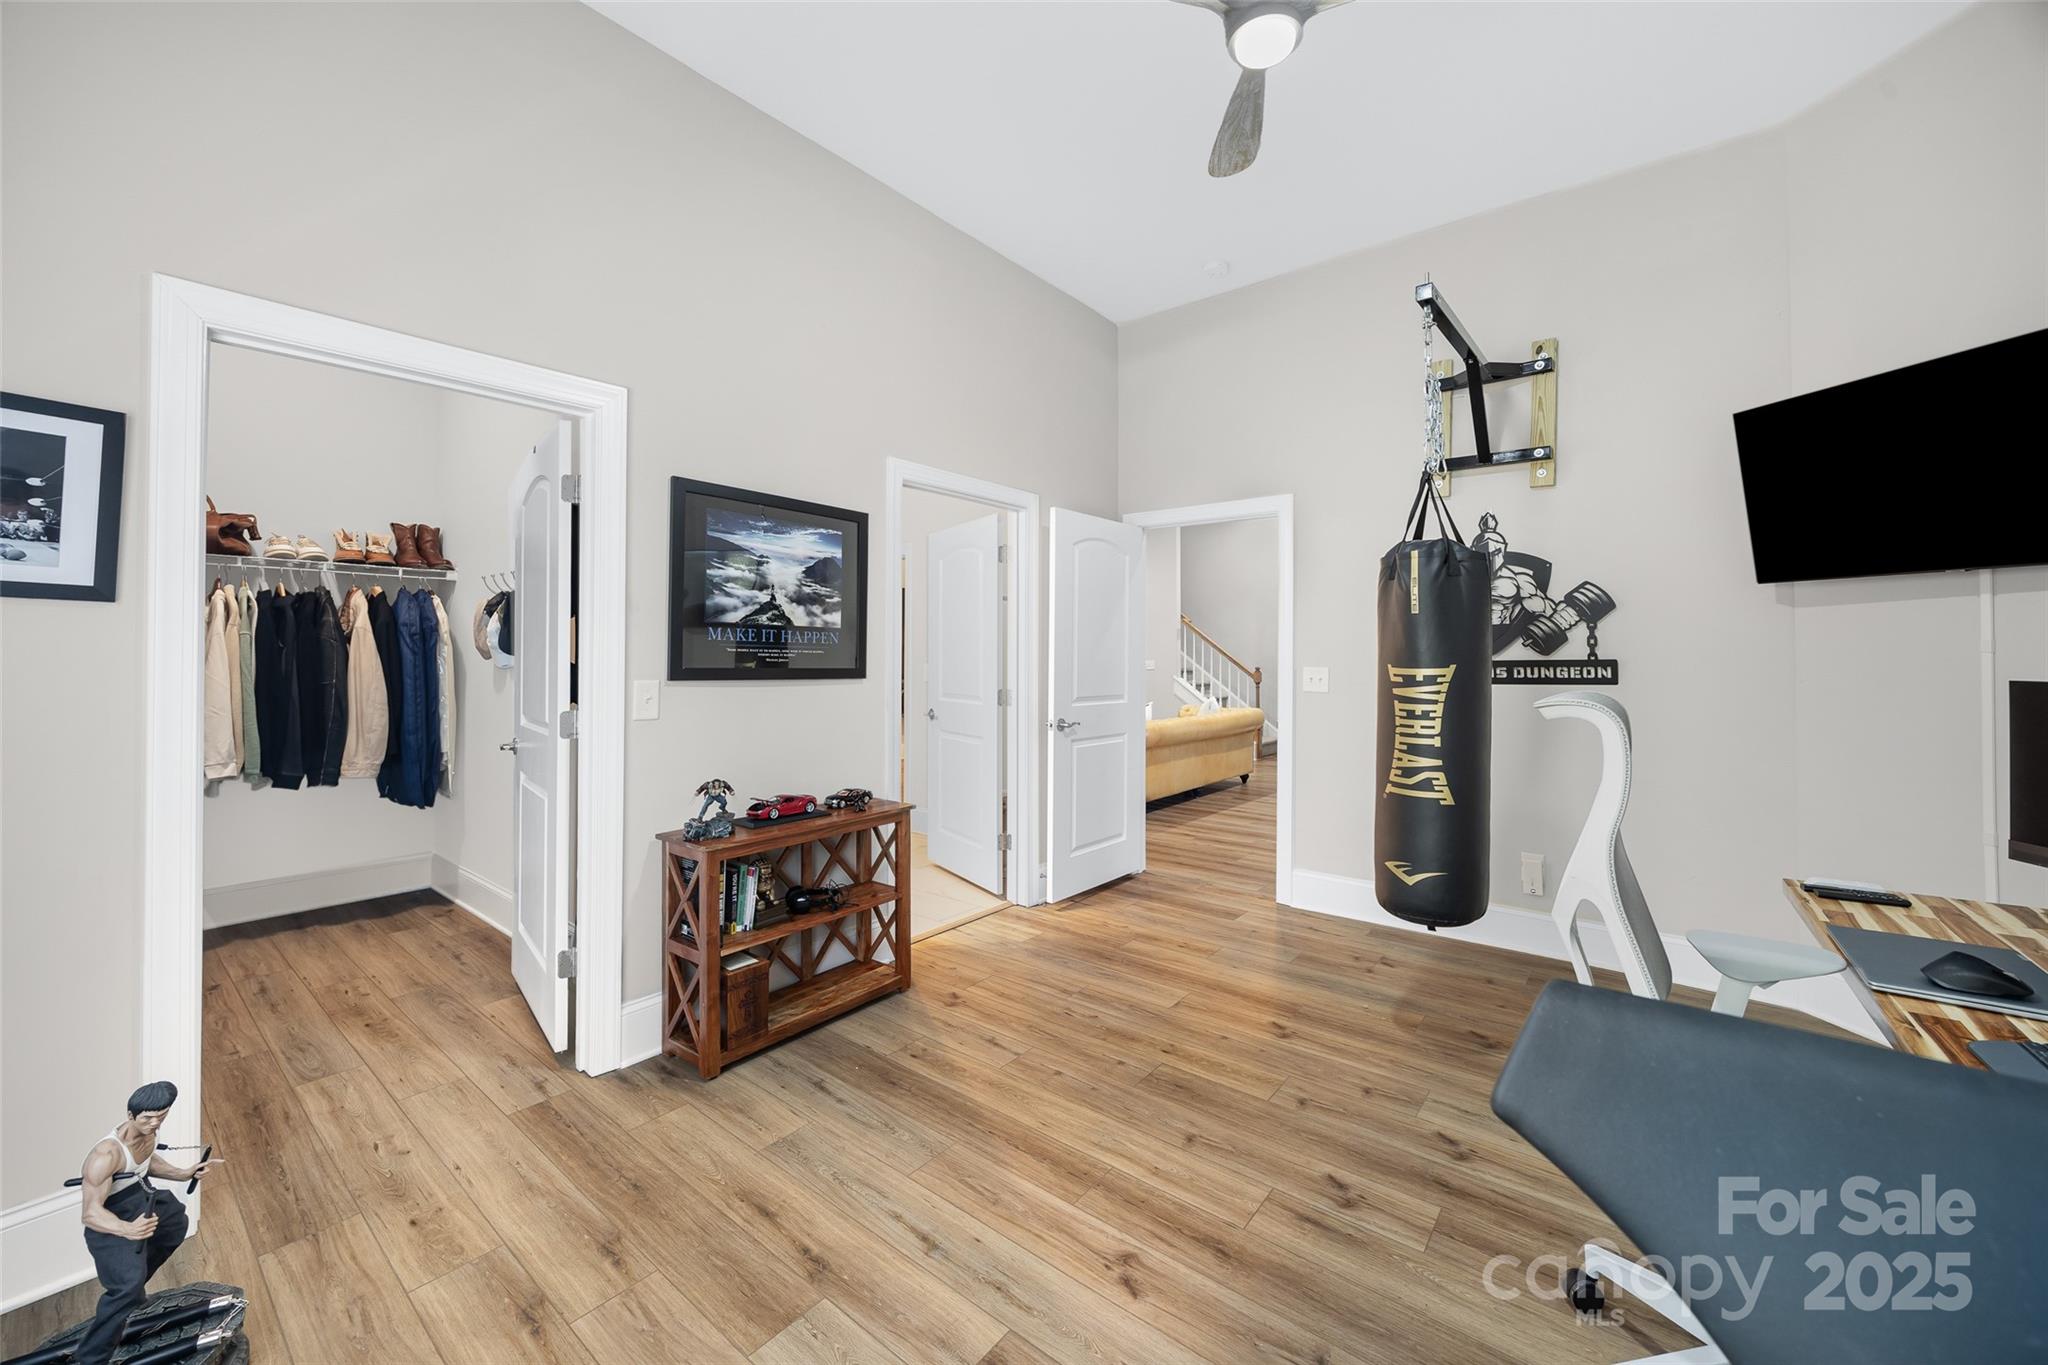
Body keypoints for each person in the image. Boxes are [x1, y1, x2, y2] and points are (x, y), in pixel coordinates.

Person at [75, 1082, 223, 1365]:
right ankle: (90, 1357)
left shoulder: (149, 1133)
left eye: (161, 1116)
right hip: (111, 1217)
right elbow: (90, 1213)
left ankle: (132, 1292)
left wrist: (183, 1174)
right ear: (131, 1116)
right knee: (126, 1287)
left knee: (175, 1223)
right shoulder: (106, 1156)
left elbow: (146, 1162)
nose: (155, 1123)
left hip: (142, 1196)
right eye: (147, 1118)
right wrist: (127, 1229)